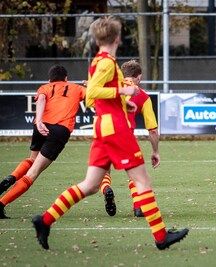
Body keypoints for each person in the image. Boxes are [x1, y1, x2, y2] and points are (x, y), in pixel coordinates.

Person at [32, 16, 189, 251]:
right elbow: (93, 91)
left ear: (97, 39)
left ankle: (44, 221)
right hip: (116, 129)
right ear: (117, 38)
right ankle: (160, 237)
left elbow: (96, 95)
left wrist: (124, 103)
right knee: (142, 181)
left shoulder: (100, 61)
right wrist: (124, 89)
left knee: (91, 185)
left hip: (104, 127)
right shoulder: (106, 63)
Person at [0, 65, 85, 219]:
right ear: (66, 78)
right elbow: (94, 95)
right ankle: (1, 203)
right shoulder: (76, 88)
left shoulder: (44, 87)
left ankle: (9, 179)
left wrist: (39, 121)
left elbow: (41, 99)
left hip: (40, 126)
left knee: (32, 160)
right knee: (32, 173)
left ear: (49, 79)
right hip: (60, 130)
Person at [99, 59, 160, 218]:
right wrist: (155, 151)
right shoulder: (143, 96)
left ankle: (106, 189)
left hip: (103, 134)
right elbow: (152, 130)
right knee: (137, 175)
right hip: (125, 137)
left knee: (102, 172)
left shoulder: (109, 87)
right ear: (138, 77)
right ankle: (139, 206)